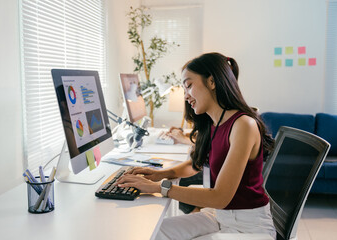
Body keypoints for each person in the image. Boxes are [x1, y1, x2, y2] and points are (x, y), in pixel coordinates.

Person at [117, 52, 276, 239]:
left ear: (212, 82)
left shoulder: (243, 125)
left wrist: (160, 187)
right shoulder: (212, 123)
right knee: (151, 233)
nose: (185, 96)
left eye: (189, 86)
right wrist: (159, 174)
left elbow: (220, 197)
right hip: (219, 215)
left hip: (249, 227)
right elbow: (195, 165)